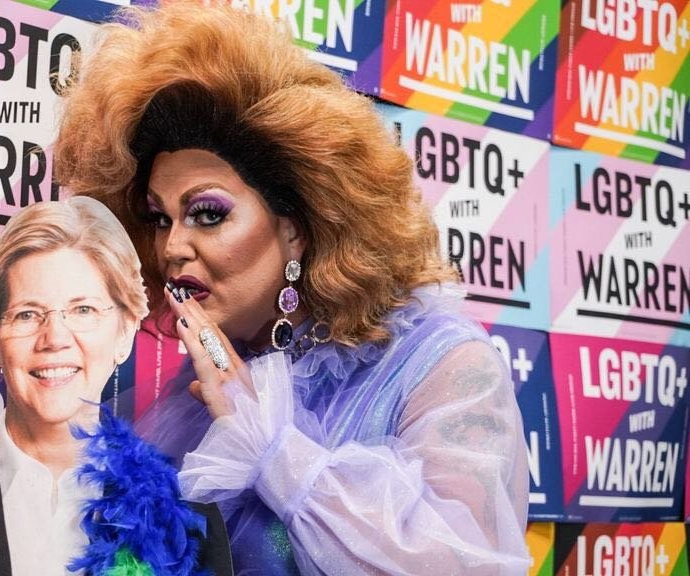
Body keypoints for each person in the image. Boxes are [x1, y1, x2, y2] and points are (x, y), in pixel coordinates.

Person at [54, 3, 531, 575]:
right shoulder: (204, 388)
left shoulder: (440, 364)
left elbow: (458, 564)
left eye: (206, 213)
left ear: (297, 227)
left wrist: (272, 449)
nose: (172, 247)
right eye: (159, 218)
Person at [0, 197, 232, 576]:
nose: (54, 338)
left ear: (125, 331)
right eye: (27, 314)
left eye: (84, 310)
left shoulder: (190, 521)